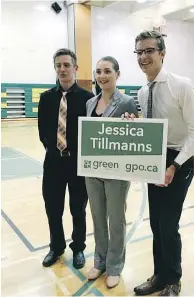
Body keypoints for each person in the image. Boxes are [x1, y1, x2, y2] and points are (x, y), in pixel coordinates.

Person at [124, 31, 194, 296]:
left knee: (169, 225)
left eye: (149, 51)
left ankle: (173, 279)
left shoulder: (182, 86)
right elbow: (153, 129)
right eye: (139, 52)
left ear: (162, 53)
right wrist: (136, 126)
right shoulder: (142, 91)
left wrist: (174, 166)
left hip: (179, 161)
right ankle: (159, 276)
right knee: (156, 224)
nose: (143, 56)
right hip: (155, 159)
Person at [38, 48, 94, 269]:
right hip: (53, 162)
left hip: (77, 163)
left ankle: (78, 247)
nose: (62, 69)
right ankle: (56, 246)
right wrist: (54, 149)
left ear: (76, 68)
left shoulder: (88, 99)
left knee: (77, 208)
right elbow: (42, 131)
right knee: (53, 207)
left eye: (66, 65)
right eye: (58, 65)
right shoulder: (46, 98)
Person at [85, 56, 138, 288]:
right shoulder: (90, 102)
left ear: (117, 74)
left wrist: (132, 124)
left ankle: (115, 265)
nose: (102, 76)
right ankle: (100, 260)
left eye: (107, 71)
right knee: (97, 218)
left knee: (116, 220)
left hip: (116, 173)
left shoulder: (126, 102)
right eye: (98, 71)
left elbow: (135, 134)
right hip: (92, 171)